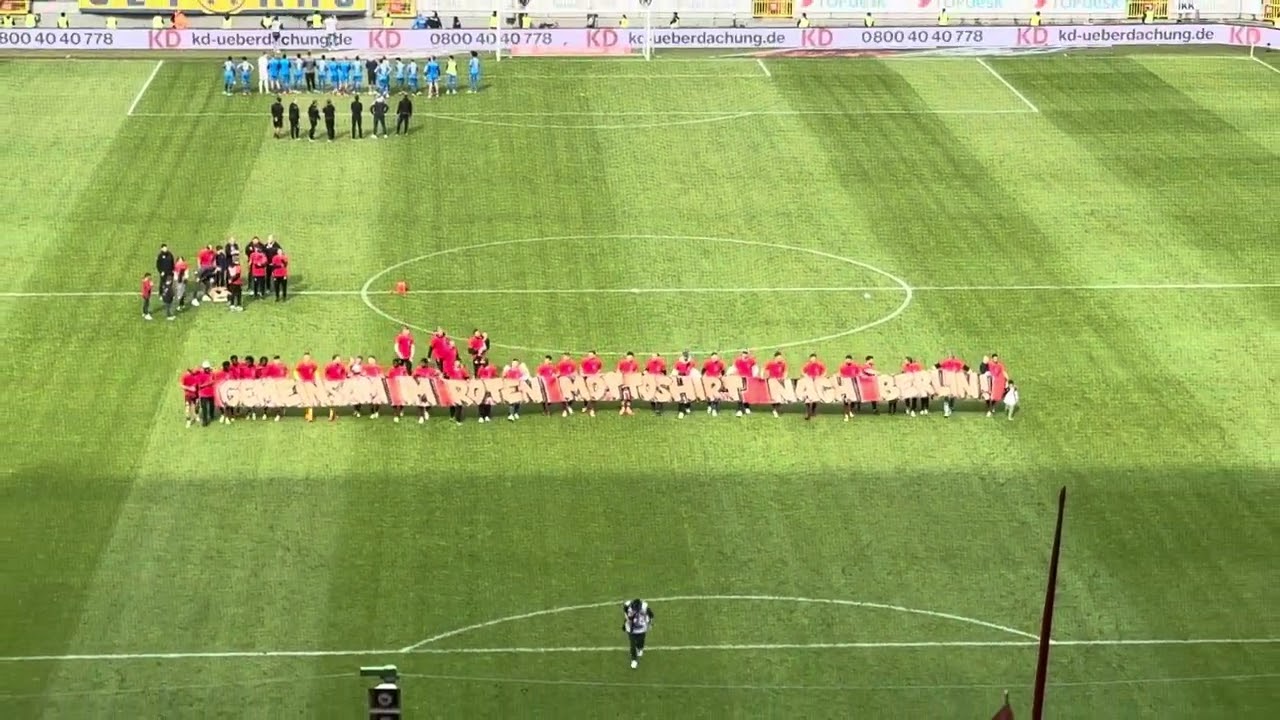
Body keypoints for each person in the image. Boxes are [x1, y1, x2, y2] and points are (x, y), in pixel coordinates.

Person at [623, 599, 654, 669]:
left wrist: (650, 624)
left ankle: (640, 648)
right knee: (632, 644)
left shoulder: (645, 607)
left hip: (641, 629)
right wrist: (626, 622)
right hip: (631, 629)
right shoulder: (627, 606)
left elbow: (651, 615)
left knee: (641, 641)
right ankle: (634, 660)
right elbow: (625, 613)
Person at [763, 351, 786, 417]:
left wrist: (783, 377)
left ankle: (776, 409)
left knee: (782, 396)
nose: (780, 359)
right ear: (775, 358)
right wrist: (763, 376)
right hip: (772, 381)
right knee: (775, 396)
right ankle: (775, 409)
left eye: (781, 357)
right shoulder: (770, 363)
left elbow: (785, 371)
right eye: (779, 357)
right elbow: (764, 368)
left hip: (780, 381)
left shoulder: (783, 364)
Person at [196, 361, 217, 426]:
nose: (207, 369)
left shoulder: (212, 374)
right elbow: (200, 386)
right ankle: (205, 421)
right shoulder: (201, 375)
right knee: (204, 408)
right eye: (206, 368)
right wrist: (209, 383)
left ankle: (211, 415)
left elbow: (215, 380)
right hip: (203, 395)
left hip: (211, 393)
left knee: (212, 406)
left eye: (208, 368)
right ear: (204, 369)